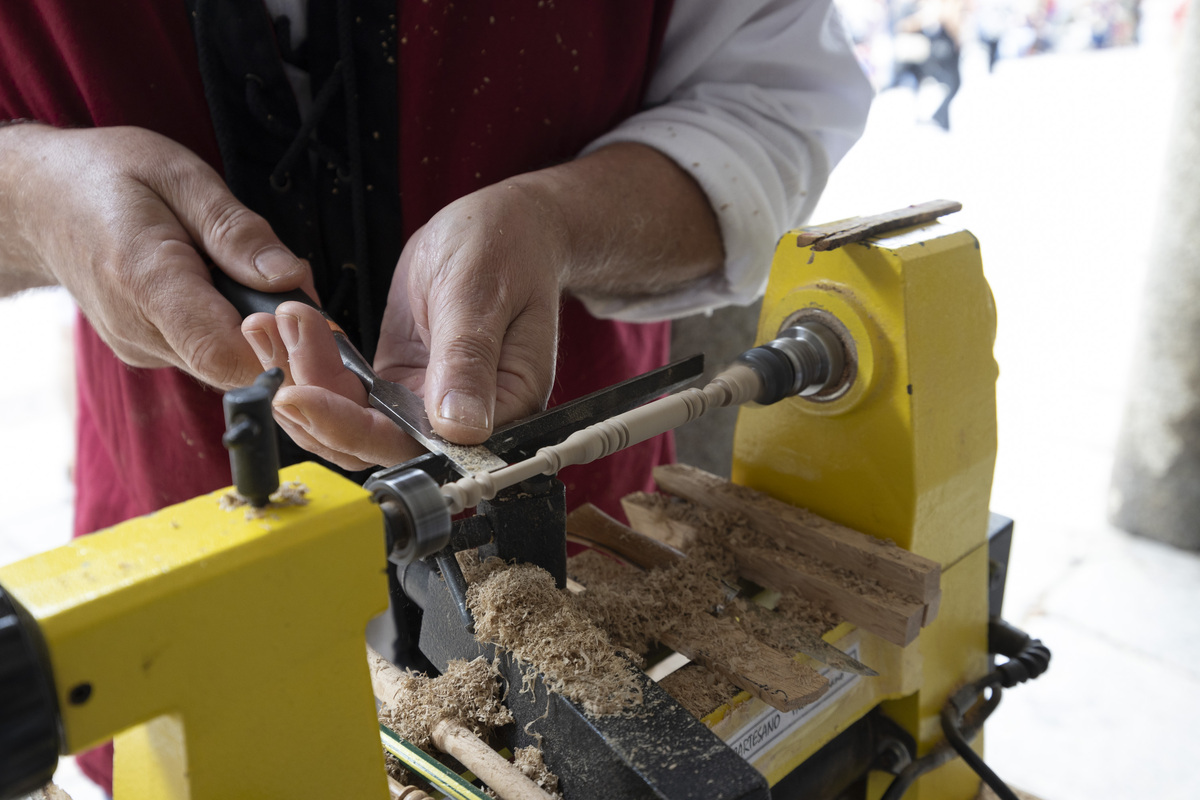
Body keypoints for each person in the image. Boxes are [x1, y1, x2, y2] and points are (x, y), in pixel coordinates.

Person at [0, 0, 871, 792]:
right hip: (187, 555)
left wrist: (561, 221)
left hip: (582, 534)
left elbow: (775, 98)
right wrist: (30, 198)